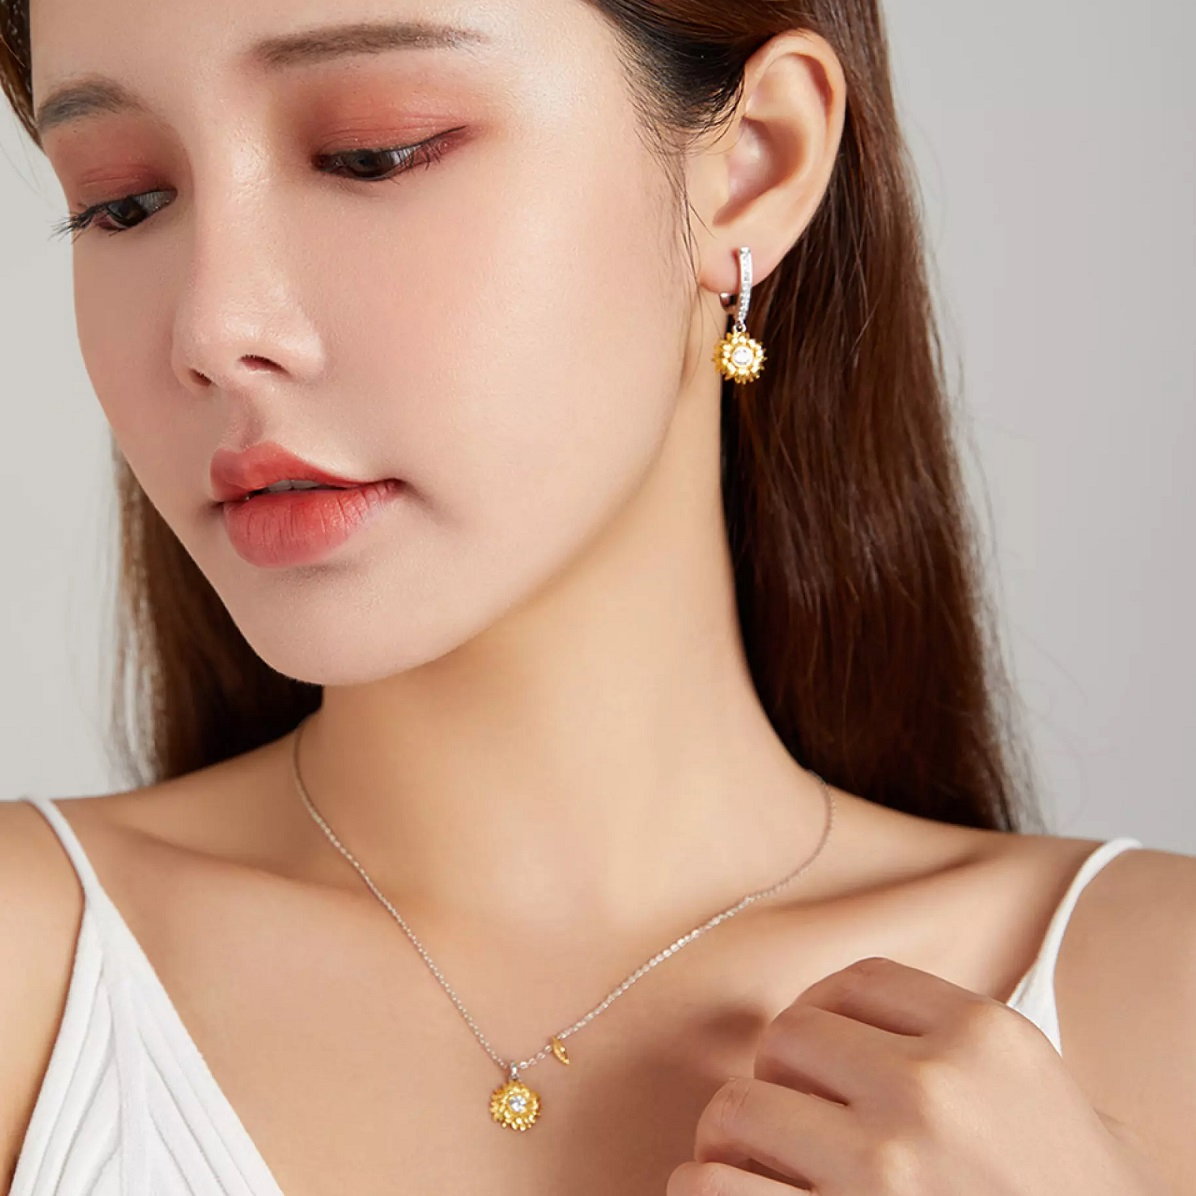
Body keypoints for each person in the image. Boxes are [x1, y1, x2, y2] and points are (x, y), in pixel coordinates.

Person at [0, 0, 1192, 1191]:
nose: (211, 328)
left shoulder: (1153, 1011)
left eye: (374, 153)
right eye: (124, 201)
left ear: (753, 163)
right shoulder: (26, 976)